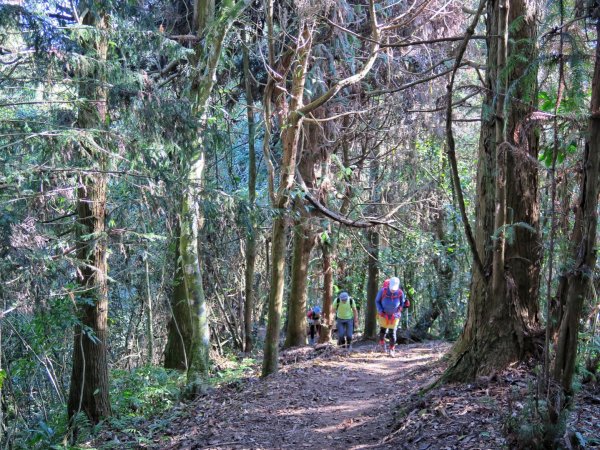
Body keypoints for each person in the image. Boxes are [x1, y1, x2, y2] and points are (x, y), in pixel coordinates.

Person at [375, 276, 408, 357]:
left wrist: (399, 310)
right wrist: (380, 311)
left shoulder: (400, 293)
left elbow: (402, 303)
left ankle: (391, 349)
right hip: (383, 314)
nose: (393, 290)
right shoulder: (383, 291)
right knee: (383, 330)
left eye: (394, 288)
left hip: (395, 316)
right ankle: (382, 343)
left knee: (392, 333)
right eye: (392, 288)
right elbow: (377, 301)